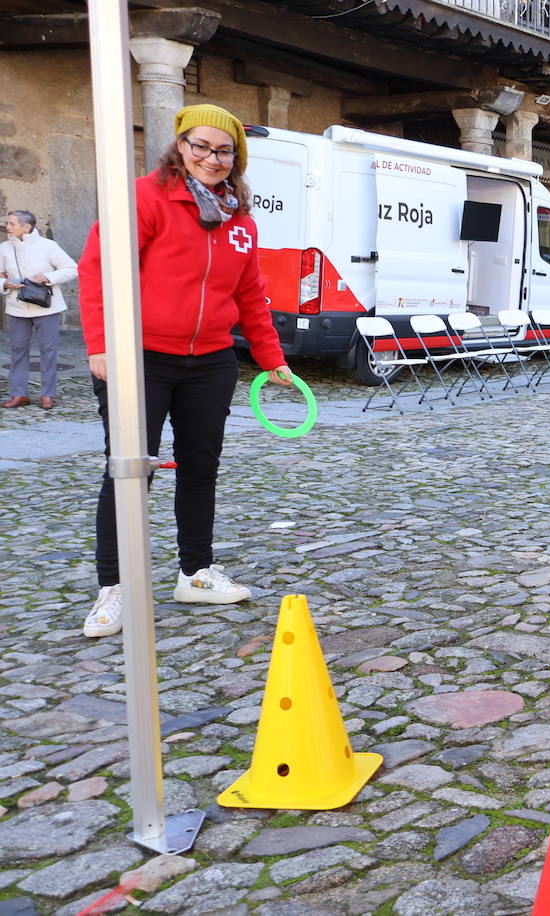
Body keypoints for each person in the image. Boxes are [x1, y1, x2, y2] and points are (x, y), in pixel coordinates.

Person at [77, 104, 292, 638]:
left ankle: (195, 572)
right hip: (141, 357)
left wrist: (272, 358)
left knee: (200, 467)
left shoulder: (239, 219)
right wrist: (102, 346)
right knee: (130, 469)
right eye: (201, 146)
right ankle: (115, 587)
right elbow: (99, 270)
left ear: (236, 158)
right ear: (179, 145)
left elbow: (250, 294)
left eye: (224, 151)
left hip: (211, 362)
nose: (211, 158)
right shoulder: (146, 198)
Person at [2, 211, 77, 409]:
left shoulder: (48, 246)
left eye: (11, 223)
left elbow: (72, 268)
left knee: (48, 351)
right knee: (18, 351)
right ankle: (19, 395)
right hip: (17, 308)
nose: (7, 227)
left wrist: (47, 277)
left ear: (26, 227)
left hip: (47, 308)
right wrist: (5, 283)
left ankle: (47, 395)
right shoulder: (4, 248)